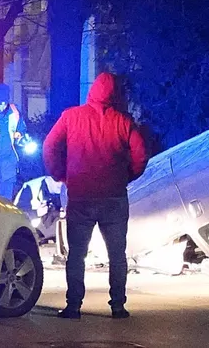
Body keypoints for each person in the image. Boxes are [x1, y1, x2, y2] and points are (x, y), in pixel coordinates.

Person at [43, 72, 148, 319]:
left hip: (81, 196)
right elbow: (141, 155)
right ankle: (118, 306)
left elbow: (49, 146)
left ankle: (74, 306)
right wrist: (126, 177)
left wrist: (61, 175)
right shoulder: (123, 121)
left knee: (77, 254)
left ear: (91, 91)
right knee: (117, 255)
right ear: (114, 94)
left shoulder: (71, 117)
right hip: (114, 197)